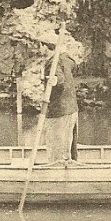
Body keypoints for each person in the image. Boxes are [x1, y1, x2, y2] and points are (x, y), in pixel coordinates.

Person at [40, 34, 79, 165]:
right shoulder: (65, 58)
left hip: (59, 110)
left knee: (56, 149)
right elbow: (74, 65)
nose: (40, 50)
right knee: (66, 144)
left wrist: (54, 81)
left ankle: (57, 174)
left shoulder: (53, 62)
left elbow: (60, 82)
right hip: (71, 108)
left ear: (45, 47)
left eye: (40, 46)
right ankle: (67, 166)